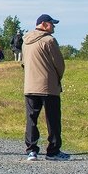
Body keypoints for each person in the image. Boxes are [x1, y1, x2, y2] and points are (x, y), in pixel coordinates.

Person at [23, 14, 66, 161]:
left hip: (30, 85)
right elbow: (59, 64)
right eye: (52, 24)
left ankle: (31, 150)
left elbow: (23, 62)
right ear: (44, 24)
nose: (53, 26)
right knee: (52, 118)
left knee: (31, 118)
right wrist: (58, 77)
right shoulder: (49, 40)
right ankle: (53, 151)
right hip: (48, 85)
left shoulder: (25, 41)